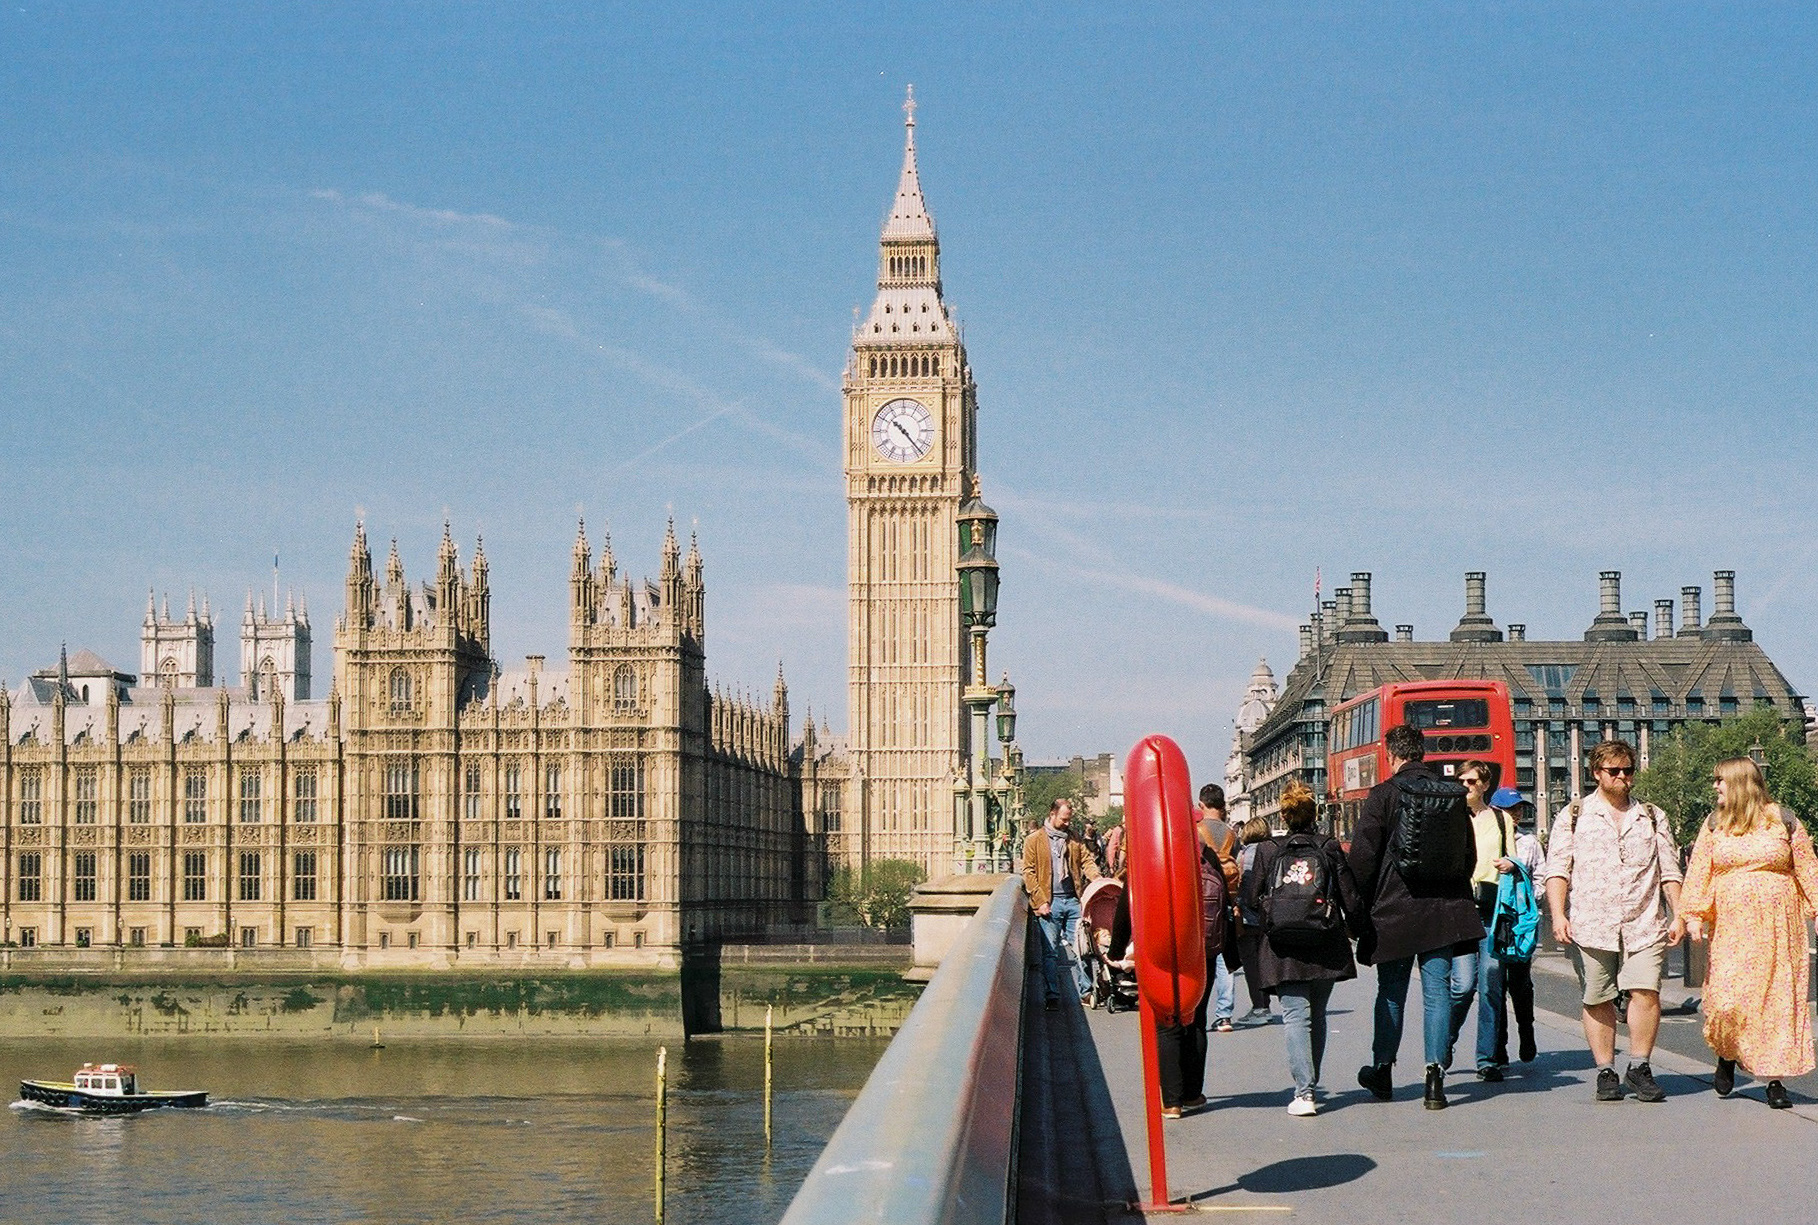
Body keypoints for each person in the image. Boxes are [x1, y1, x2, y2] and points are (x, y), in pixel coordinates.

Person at [1348, 724, 1485, 1110]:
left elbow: (1362, 858)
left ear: (1390, 755)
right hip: (1441, 910)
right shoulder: (1452, 795)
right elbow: (1468, 855)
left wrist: (1361, 905)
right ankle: (1435, 1079)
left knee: (1391, 993)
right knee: (1437, 993)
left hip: (1394, 910)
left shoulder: (1383, 795)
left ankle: (1383, 1071)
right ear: (1422, 752)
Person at [1544, 739, 1684, 1103]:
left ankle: (1639, 1066)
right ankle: (1606, 1070)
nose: (1623, 777)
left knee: (1646, 992)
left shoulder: (1652, 815)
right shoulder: (1573, 815)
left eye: (1628, 770)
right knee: (1597, 997)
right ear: (1596, 774)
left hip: (1644, 920)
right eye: (1614, 771)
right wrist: (1558, 914)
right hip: (1592, 922)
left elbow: (1670, 869)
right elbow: (1558, 870)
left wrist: (1678, 913)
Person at [1679, 757, 1818, 1109]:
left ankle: (1774, 1080)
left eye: (1720, 781)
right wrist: (1693, 915)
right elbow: (1699, 871)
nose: (1715, 787)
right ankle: (1727, 1053)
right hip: (1732, 928)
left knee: (1776, 1001)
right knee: (1726, 1000)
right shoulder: (1714, 825)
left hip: (1778, 927)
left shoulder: (1783, 821)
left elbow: (1807, 868)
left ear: (1740, 783)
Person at [1242, 782, 1363, 1115]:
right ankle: (1311, 1082)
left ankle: (1304, 1092)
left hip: (1283, 946)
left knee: (1296, 1016)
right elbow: (1347, 895)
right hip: (1324, 941)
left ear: (1283, 813)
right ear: (1316, 814)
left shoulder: (1267, 850)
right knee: (1317, 1014)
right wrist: (1359, 931)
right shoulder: (1328, 846)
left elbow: (1251, 897)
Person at [1455, 760, 1520, 1082]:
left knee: (1492, 984)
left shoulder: (1500, 818)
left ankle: (1487, 1058)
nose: (1464, 786)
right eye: (1461, 781)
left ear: (1484, 785)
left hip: (1492, 910)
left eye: (1470, 781)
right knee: (1463, 987)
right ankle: (1446, 1038)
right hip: (1460, 910)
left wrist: (1510, 863)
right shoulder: (1450, 818)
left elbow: (1514, 856)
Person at [1022, 798, 1101, 1011]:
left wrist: (1097, 879)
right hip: (1050, 902)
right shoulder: (1034, 840)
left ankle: (1085, 992)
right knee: (1050, 952)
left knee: (1082, 948)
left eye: (1069, 820)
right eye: (1064, 819)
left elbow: (1086, 861)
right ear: (1052, 814)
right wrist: (1039, 901)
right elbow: (1028, 872)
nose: (1067, 823)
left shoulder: (1073, 839)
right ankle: (1052, 995)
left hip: (1073, 901)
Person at [1495, 786, 1543, 1063]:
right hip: (1495, 918)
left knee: (1520, 982)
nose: (1516, 814)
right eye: (1509, 809)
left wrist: (1528, 899)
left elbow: (1541, 874)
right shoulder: (1487, 840)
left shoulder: (1529, 842)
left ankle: (1527, 1032)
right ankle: (1498, 1045)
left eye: (1518, 809)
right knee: (1494, 984)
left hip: (1521, 920)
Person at [1197, 784, 1242, 1033]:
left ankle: (1199, 1008)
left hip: (1203, 900)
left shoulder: (1198, 831)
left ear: (1201, 805)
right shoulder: (1231, 834)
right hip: (1227, 899)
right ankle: (1224, 1014)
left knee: (1204, 955)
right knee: (1226, 959)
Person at [1234, 815, 1277, 1025]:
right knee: (1265, 961)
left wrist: (1239, 906)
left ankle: (1260, 1006)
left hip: (1250, 916)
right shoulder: (1274, 851)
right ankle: (1265, 1004)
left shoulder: (1246, 855)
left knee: (1251, 965)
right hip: (1271, 915)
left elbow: (1243, 885)